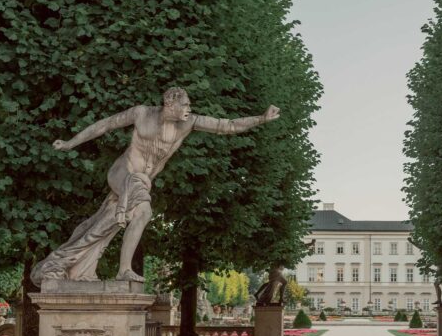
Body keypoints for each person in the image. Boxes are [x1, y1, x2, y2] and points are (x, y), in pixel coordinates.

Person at [32, 87, 280, 285]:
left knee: (108, 223)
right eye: (185, 104)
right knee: (143, 211)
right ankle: (124, 270)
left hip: (143, 181)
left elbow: (228, 125)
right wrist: (70, 143)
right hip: (124, 173)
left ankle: (67, 262)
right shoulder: (141, 113)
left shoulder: (188, 122)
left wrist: (261, 119)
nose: (189, 108)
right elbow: (105, 125)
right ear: (169, 104)